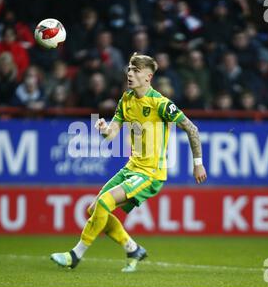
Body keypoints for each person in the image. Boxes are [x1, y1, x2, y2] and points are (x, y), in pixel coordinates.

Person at [50, 53, 207, 272]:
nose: (130, 73)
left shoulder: (160, 103)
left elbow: (192, 128)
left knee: (104, 203)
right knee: (94, 209)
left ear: (148, 77)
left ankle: (75, 255)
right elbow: (112, 132)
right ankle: (132, 248)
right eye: (129, 69)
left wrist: (198, 163)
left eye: (135, 70)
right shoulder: (126, 99)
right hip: (132, 168)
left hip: (151, 173)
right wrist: (105, 130)